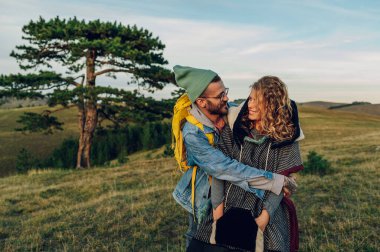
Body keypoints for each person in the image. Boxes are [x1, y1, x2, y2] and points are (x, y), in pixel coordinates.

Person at [171, 66, 297, 248]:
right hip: (203, 191)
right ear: (201, 102)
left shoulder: (228, 111)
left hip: (230, 188)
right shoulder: (192, 133)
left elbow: (275, 104)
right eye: (220, 96)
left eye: (225, 92)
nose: (227, 99)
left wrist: (292, 118)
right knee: (198, 234)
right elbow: (226, 168)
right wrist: (276, 181)